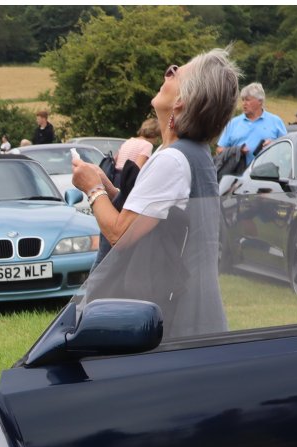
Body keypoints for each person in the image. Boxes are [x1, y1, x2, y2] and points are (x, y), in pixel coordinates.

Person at [70, 49, 241, 338]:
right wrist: (112, 192)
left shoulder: (171, 160)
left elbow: (120, 235)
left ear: (183, 102)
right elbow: (154, 218)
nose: (169, 70)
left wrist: (93, 188)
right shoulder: (187, 153)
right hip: (194, 309)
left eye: (177, 72)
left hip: (175, 320)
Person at [216, 82, 285, 165]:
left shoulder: (276, 121)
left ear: (260, 101)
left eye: (247, 100)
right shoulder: (233, 123)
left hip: (266, 174)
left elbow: (286, 149)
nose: (244, 103)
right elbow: (219, 150)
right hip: (237, 175)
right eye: (243, 100)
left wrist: (273, 146)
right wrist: (237, 151)